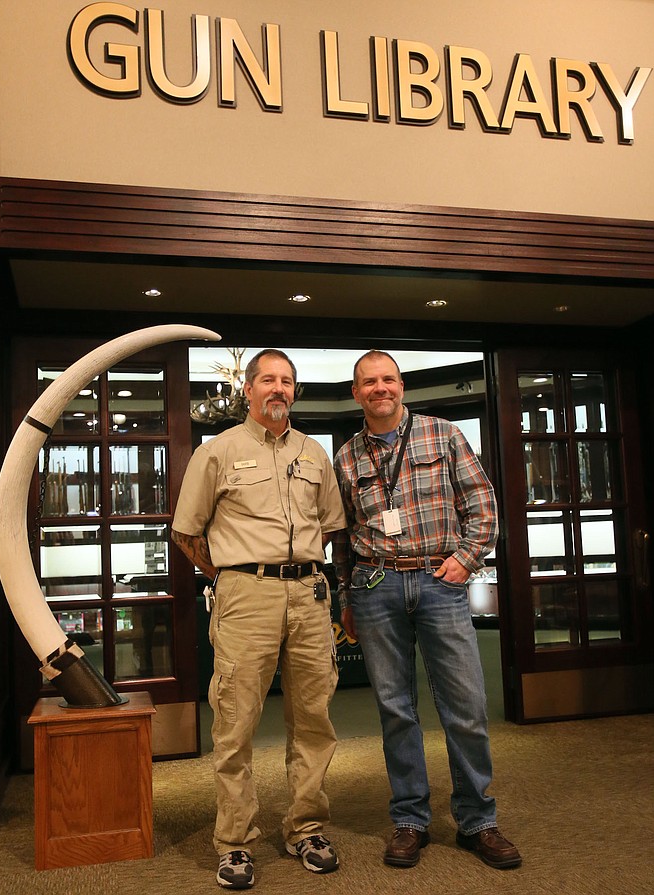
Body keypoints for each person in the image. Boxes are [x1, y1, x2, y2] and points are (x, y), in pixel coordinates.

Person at [332, 350, 521, 871]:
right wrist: (348, 597)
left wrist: (464, 561)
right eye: (369, 382)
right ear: (356, 393)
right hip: (375, 587)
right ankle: (410, 819)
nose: (380, 389)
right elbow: (342, 537)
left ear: (402, 385)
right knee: (396, 709)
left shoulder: (444, 434)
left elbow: (483, 505)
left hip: (440, 581)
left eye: (388, 379)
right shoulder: (346, 457)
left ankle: (478, 820)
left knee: (466, 706)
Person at [172, 349, 346, 889]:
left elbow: (332, 527)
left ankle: (307, 827)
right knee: (236, 720)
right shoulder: (218, 452)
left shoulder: (316, 454)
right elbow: (187, 533)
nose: (278, 389)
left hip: (310, 597)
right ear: (247, 390)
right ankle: (235, 842)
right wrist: (233, 574)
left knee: (314, 717)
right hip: (246, 596)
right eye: (267, 380)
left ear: (295, 392)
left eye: (287, 381)